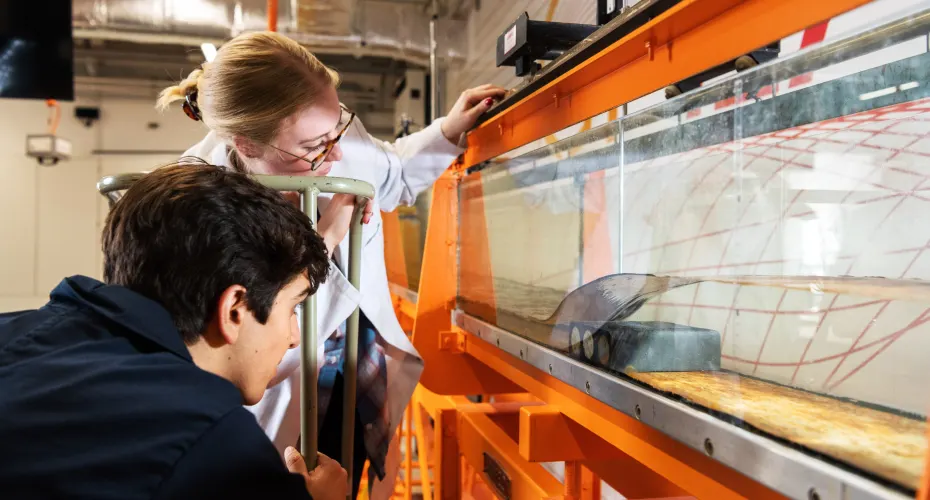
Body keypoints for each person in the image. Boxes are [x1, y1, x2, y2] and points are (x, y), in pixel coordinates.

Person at [157, 31, 506, 498]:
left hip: (354, 367)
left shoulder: (330, 132)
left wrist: (445, 131)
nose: (337, 152)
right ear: (248, 145)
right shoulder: (199, 199)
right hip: (275, 393)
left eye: (339, 125)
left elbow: (392, 173)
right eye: (315, 146)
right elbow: (241, 346)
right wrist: (331, 234)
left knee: (350, 471)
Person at [0, 163, 347, 500]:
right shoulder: (213, 441)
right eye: (293, 308)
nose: (293, 336)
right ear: (235, 310)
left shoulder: (14, 329)